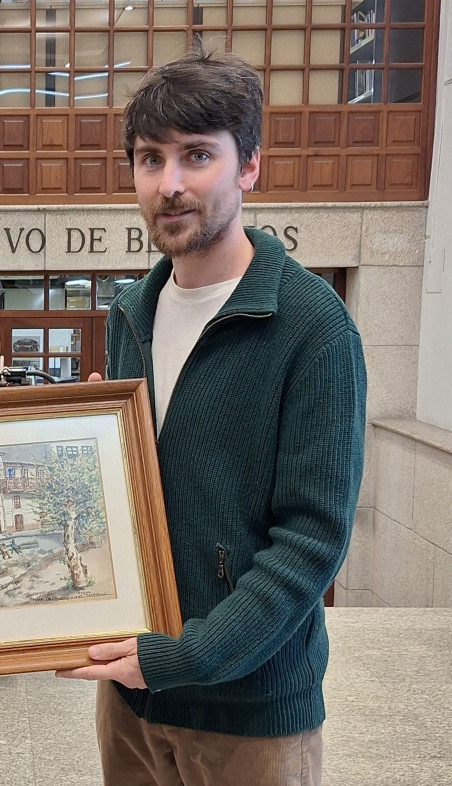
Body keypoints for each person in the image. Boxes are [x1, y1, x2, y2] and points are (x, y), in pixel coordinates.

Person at [57, 45, 367, 786]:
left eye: (197, 156)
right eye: (149, 158)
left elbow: (310, 543)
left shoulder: (313, 326)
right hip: (130, 701)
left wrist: (187, 656)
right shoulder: (129, 312)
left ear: (249, 165)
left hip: (249, 717)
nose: (170, 184)